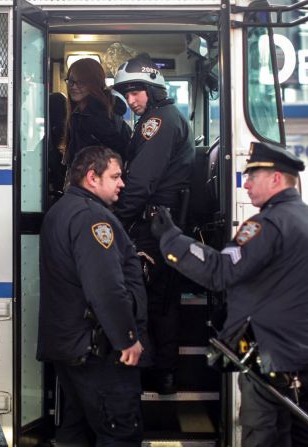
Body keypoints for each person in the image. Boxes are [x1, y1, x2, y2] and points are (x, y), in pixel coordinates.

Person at [150, 141, 308, 446]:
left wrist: (172, 239)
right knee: (305, 434)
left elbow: (221, 271)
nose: (245, 184)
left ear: (276, 178)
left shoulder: (268, 224)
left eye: (252, 176)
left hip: (275, 357)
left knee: (263, 434)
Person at [37, 145, 150, 446]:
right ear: (92, 178)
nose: (122, 184)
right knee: (120, 432)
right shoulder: (92, 219)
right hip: (97, 350)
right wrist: (127, 337)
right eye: (115, 176)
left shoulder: (62, 210)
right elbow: (106, 288)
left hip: (72, 346)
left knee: (77, 431)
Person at [112, 53, 194, 394]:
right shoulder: (165, 117)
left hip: (154, 226)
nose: (131, 100)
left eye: (137, 91)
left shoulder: (158, 121)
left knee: (150, 300)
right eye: (126, 94)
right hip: (162, 224)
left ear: (155, 88)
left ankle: (156, 373)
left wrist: (113, 221)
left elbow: (140, 183)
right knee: (161, 299)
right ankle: (164, 373)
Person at [61, 58, 132, 186]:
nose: (74, 87)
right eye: (71, 81)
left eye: (81, 82)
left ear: (94, 83)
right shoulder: (81, 113)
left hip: (93, 186)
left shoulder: (96, 115)